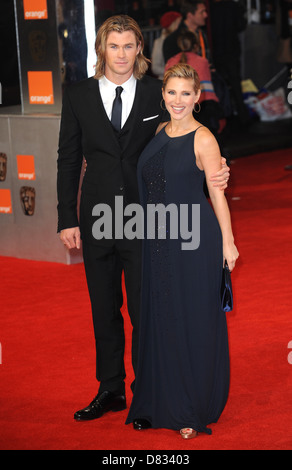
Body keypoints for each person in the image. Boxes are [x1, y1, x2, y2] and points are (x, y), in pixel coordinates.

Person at [57, 15, 231, 423]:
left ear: (140, 50)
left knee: (147, 311)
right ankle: (110, 389)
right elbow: (68, 159)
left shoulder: (158, 91)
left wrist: (220, 169)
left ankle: (146, 393)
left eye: (129, 46)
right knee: (104, 308)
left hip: (149, 221)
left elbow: (189, 132)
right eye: (113, 46)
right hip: (98, 217)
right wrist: (67, 217)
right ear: (102, 49)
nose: (121, 54)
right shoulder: (78, 95)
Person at [126, 63, 239, 438]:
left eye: (186, 94)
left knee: (192, 321)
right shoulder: (159, 131)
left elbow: (217, 193)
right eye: (172, 92)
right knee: (163, 318)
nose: (178, 100)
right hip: (158, 241)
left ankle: (191, 407)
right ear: (164, 94)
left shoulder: (204, 138)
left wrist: (228, 242)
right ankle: (163, 399)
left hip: (193, 242)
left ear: (197, 98)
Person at [165, 30, 222, 133]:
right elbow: (208, 92)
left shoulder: (171, 62)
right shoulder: (202, 61)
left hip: (177, 109)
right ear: (196, 46)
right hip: (201, 109)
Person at [209, 0, 250, 125]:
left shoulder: (210, 8)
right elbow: (241, 25)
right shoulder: (233, 6)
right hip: (231, 49)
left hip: (216, 50)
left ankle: (225, 115)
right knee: (235, 82)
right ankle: (242, 115)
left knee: (220, 84)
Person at [151, 11, 182, 79]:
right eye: (179, 23)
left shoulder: (181, 40)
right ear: (173, 24)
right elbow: (155, 68)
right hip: (165, 80)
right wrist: (173, 71)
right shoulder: (159, 42)